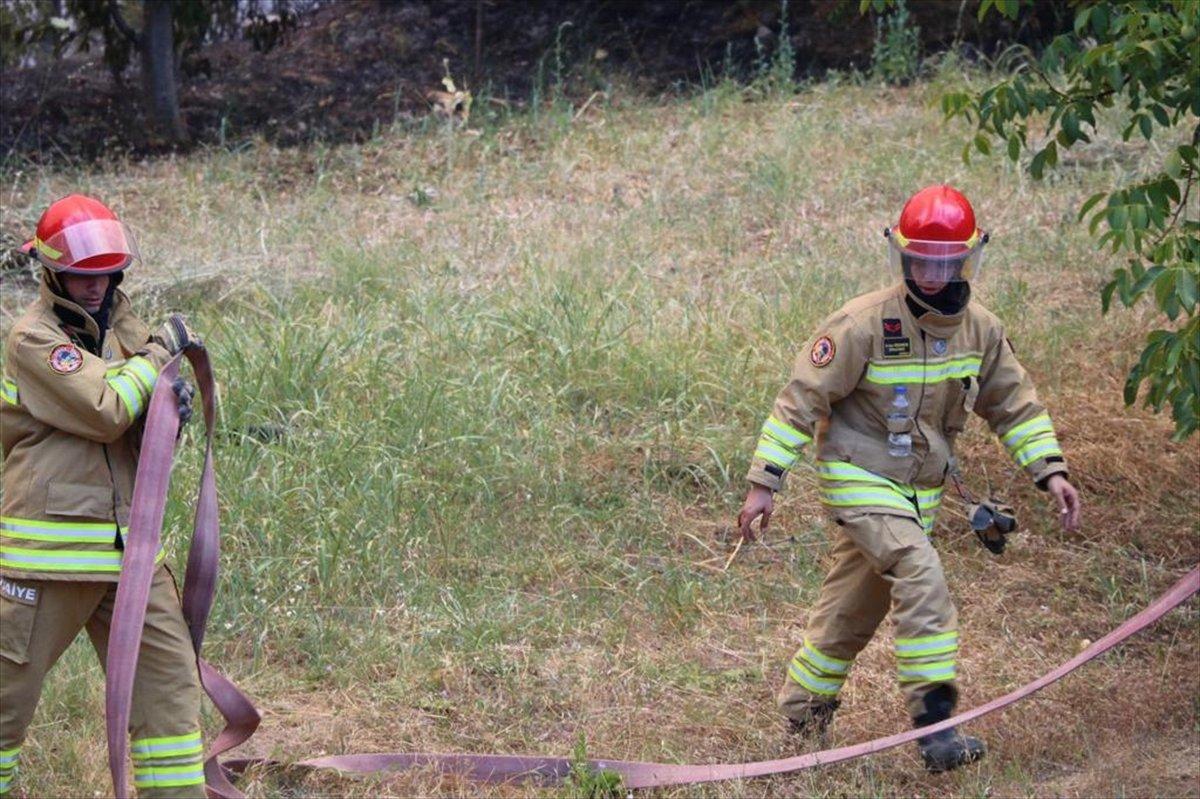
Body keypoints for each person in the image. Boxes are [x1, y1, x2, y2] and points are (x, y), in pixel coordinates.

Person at [737, 185, 1081, 772]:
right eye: (921, 259)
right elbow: (799, 401)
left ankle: (802, 716)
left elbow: (1014, 405)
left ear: (968, 259)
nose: (932, 273)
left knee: (853, 606)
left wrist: (1050, 470)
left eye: (946, 261)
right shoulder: (862, 324)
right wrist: (764, 482)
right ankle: (936, 728)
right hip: (858, 475)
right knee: (921, 575)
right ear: (901, 255)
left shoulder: (981, 330)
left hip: (918, 496)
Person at [1, 195, 204, 797]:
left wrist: (169, 409)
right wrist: (160, 357)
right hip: (48, 559)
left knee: (170, 695)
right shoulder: (33, 339)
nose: (95, 287)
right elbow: (106, 408)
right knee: (5, 704)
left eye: (106, 274)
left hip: (130, 554)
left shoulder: (124, 331)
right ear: (51, 272)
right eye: (81, 276)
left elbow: (134, 413)